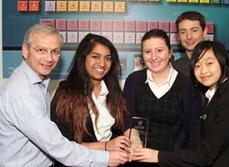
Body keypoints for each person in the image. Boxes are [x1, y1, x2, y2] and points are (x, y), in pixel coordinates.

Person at [0, 24, 128, 166]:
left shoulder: (37, 85)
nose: (49, 58)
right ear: (25, 50)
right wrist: (106, 156)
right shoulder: (21, 92)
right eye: (41, 50)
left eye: (55, 51)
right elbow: (58, 145)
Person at [131, 40, 229, 167]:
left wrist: (157, 156)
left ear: (223, 63)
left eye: (209, 63)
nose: (203, 71)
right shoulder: (211, 96)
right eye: (197, 66)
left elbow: (205, 156)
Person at [51, 33, 142, 166]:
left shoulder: (114, 91)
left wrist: (131, 142)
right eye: (95, 57)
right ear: (83, 58)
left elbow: (123, 125)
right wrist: (105, 146)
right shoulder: (66, 92)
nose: (102, 64)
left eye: (107, 58)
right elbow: (62, 146)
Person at [123, 29, 202, 166]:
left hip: (173, 162)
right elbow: (126, 117)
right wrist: (134, 139)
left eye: (159, 50)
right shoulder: (133, 81)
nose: (153, 57)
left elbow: (193, 133)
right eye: (148, 52)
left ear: (170, 52)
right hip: (137, 160)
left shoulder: (188, 85)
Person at [172, 11, 229, 112]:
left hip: (222, 125)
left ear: (204, 32)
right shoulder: (174, 68)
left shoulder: (226, 61)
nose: (189, 37)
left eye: (194, 30)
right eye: (183, 32)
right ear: (178, 36)